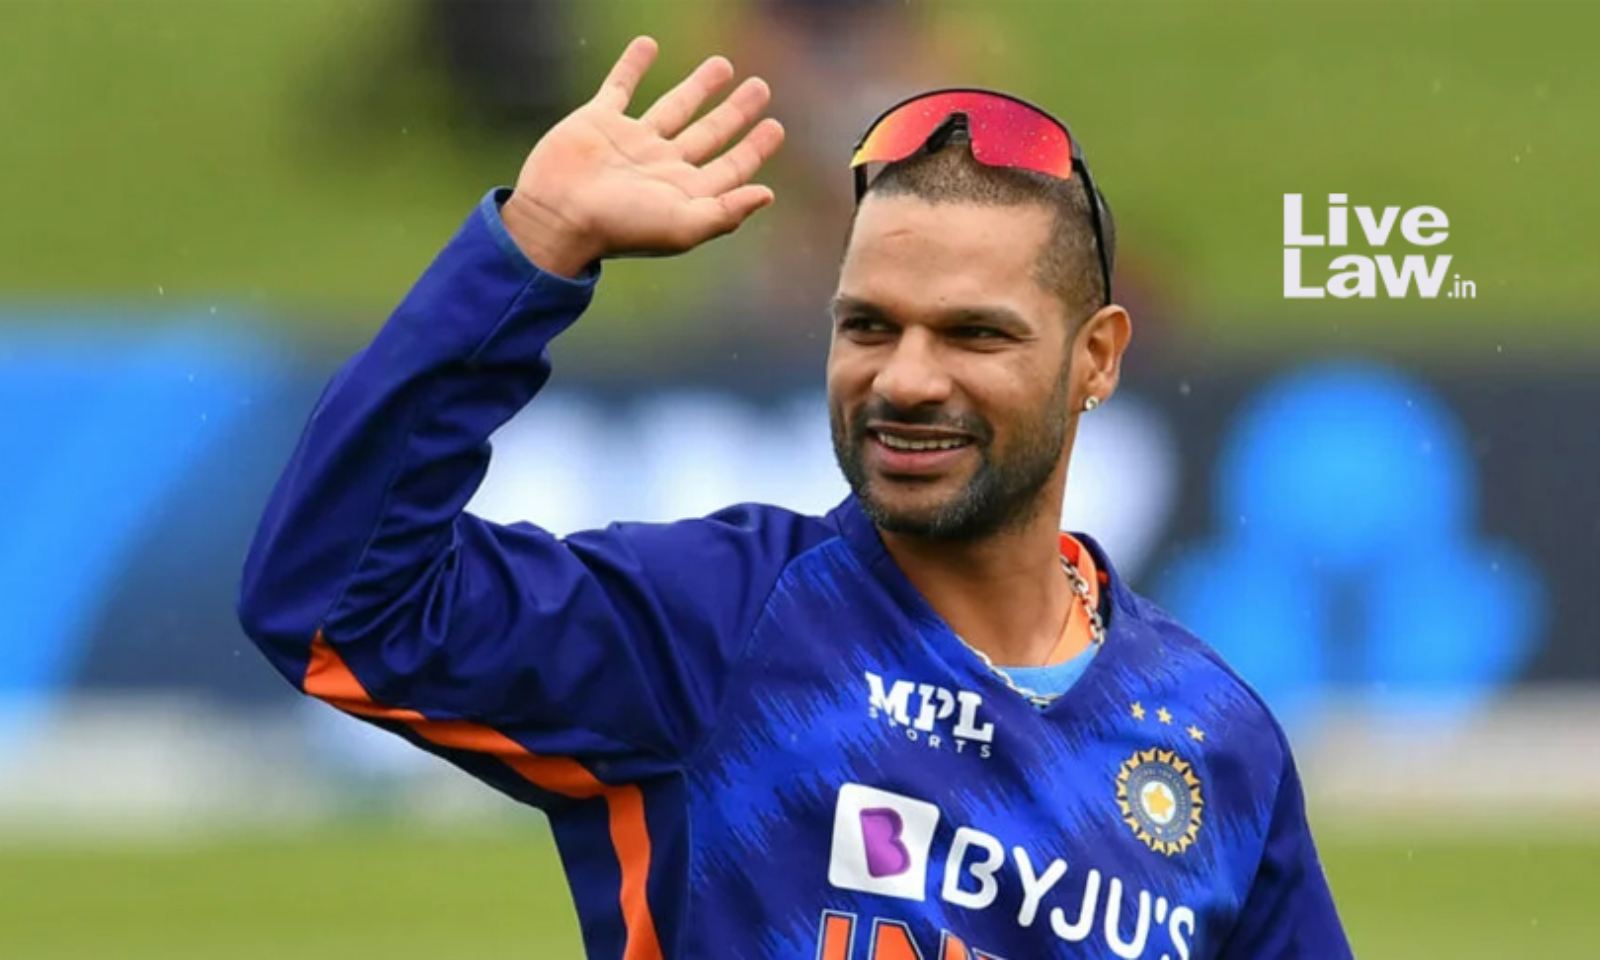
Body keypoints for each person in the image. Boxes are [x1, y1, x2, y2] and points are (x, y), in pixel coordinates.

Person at [238, 36, 1352, 960]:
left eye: (974, 334)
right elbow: (333, 599)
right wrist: (530, 249)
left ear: (1095, 359)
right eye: (868, 325)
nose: (906, 378)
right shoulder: (716, 627)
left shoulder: (1215, 742)